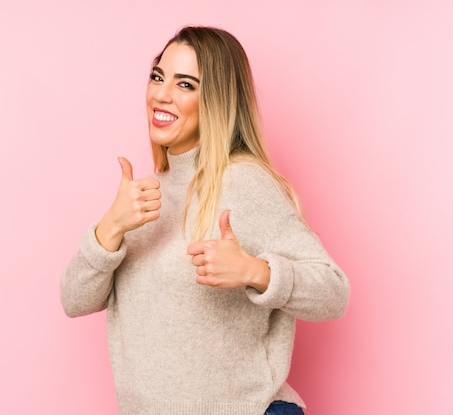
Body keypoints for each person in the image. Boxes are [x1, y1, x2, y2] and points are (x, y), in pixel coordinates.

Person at [60, 26, 349, 415]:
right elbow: (74, 300)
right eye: (158, 76)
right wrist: (110, 228)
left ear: (216, 99)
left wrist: (255, 271)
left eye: (185, 85)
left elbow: (334, 291)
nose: (161, 94)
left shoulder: (243, 182)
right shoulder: (141, 199)